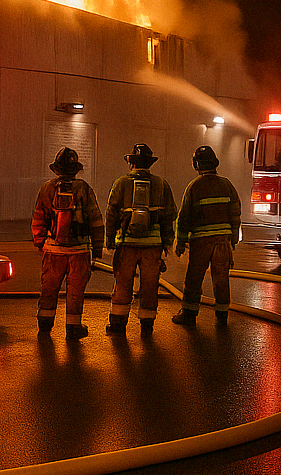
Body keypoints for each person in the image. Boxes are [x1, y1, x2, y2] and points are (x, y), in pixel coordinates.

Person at [31, 147, 104, 340]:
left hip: (53, 251)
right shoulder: (84, 188)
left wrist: (40, 243)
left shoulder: (47, 188)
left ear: (57, 169)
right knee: (75, 292)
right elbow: (96, 221)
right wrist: (97, 250)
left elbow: (39, 218)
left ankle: (45, 326)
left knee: (48, 289)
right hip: (79, 252)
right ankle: (73, 328)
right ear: (75, 169)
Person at [104, 143, 177, 335]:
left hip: (127, 245)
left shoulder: (121, 183)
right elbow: (170, 215)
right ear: (149, 164)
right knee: (150, 286)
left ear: (131, 163)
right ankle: (147, 326)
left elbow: (111, 213)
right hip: (153, 247)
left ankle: (118, 325)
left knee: (122, 283)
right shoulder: (161, 184)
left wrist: (109, 239)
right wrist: (167, 244)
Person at [172, 145, 242, 327]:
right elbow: (235, 213)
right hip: (222, 242)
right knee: (221, 279)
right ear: (215, 163)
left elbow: (184, 217)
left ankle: (188, 314)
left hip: (201, 242)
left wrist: (180, 242)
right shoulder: (227, 185)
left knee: (194, 278)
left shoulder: (194, 187)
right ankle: (222, 317)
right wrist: (233, 238)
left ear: (196, 165)